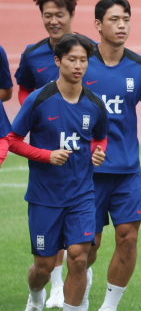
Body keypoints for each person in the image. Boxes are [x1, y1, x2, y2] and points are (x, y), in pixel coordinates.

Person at [7, 34, 108, 311]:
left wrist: (99, 151)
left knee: (78, 257)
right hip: (44, 197)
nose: (78, 66)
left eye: (83, 60)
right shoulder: (39, 100)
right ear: (58, 61)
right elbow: (12, 140)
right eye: (71, 60)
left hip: (82, 195)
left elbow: (100, 138)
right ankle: (36, 296)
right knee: (43, 267)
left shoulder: (95, 104)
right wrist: (46, 155)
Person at [82, 0, 141, 311]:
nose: (122, 25)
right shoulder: (81, 65)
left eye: (126, 18)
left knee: (127, 239)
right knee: (87, 246)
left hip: (126, 170)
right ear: (98, 25)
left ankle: (108, 306)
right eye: (114, 19)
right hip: (87, 173)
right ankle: (79, 292)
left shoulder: (140, 68)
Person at [15, 0, 82, 105]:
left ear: (72, 15)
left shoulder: (93, 52)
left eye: (59, 15)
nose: (53, 21)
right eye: (48, 16)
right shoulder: (31, 55)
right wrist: (31, 111)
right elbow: (25, 90)